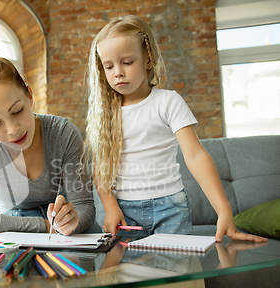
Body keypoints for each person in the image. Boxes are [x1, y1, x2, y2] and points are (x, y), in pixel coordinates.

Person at [85, 15, 266, 243]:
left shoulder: (168, 102)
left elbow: (196, 155)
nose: (117, 72)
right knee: (130, 276)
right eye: (109, 66)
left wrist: (223, 210)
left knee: (178, 276)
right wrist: (110, 207)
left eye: (127, 62)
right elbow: (100, 166)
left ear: (148, 60)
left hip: (170, 208)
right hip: (124, 213)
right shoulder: (105, 114)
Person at [0, 49, 96, 235]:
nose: (13, 129)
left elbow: (84, 205)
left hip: (62, 232)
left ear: (30, 96)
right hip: (16, 228)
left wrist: (73, 222)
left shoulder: (63, 132)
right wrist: (45, 226)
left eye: (17, 111)